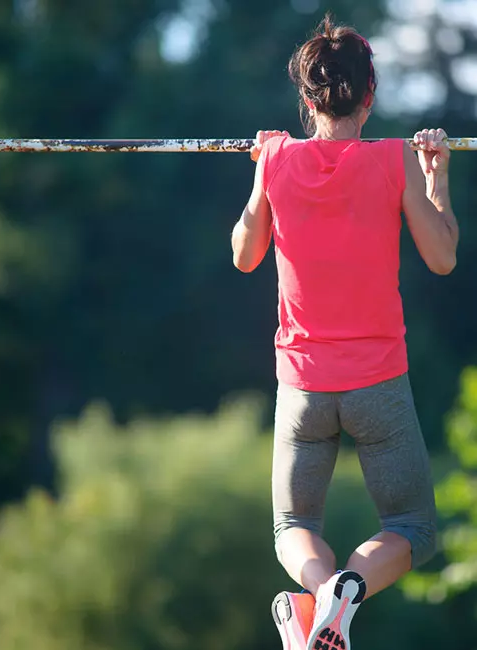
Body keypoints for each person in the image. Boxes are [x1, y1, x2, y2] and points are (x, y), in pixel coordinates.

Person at [230, 14, 459, 650]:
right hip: (379, 383)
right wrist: (436, 175)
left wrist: (262, 170)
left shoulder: (276, 157)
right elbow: (442, 257)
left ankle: (320, 608)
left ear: (306, 99)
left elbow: (244, 255)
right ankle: (345, 593)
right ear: (371, 93)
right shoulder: (394, 161)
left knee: (292, 526)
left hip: (302, 388)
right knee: (410, 529)